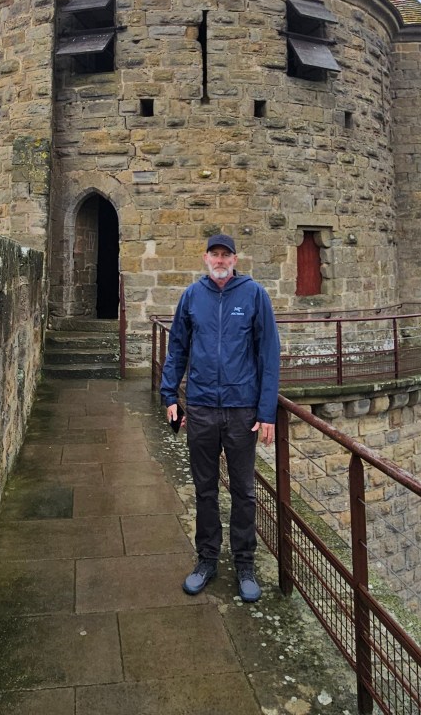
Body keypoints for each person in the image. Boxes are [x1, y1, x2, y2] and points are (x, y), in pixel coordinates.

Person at [160, 233, 280, 602]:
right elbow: (177, 347)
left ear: (235, 259)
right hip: (200, 407)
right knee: (205, 489)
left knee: (244, 491)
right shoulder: (192, 296)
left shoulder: (254, 295)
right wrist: (169, 395)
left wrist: (267, 411)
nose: (220, 260)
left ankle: (245, 564)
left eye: (226, 255)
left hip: (242, 410)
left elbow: (268, 354)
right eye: (215, 254)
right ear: (206, 258)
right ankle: (207, 559)